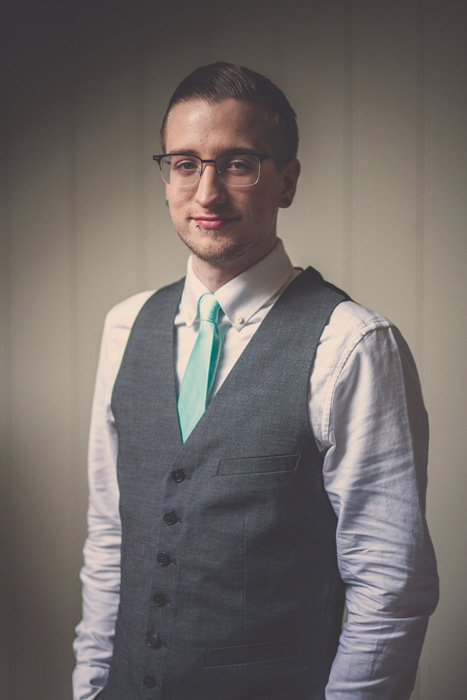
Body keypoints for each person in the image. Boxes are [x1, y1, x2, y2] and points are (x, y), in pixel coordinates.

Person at [73, 62, 439, 700]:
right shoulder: (124, 325)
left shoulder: (351, 343)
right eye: (185, 163)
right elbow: (111, 537)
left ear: (287, 180)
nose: (206, 194)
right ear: (166, 175)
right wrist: (91, 687)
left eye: (238, 163)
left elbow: (390, 587)